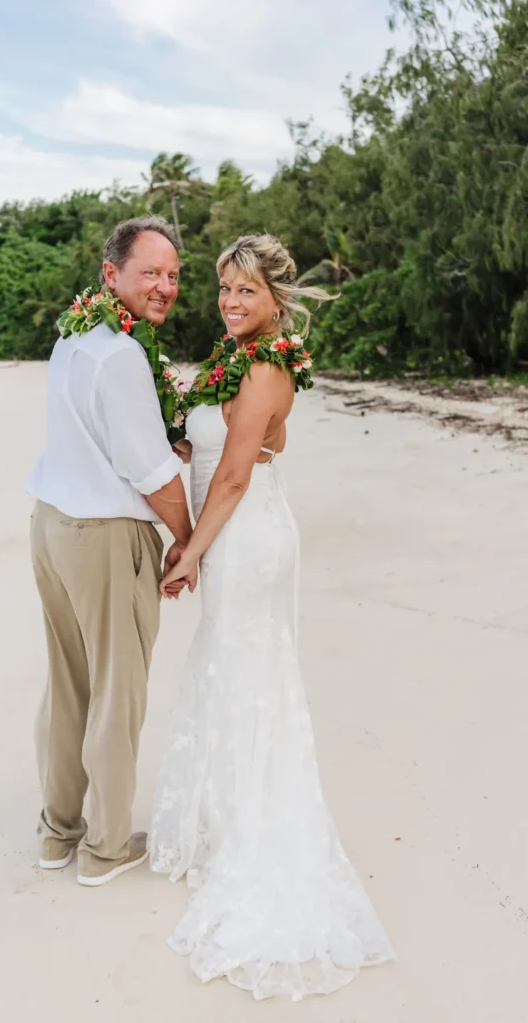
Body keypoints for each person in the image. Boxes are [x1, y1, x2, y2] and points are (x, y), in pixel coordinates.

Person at [151, 234, 395, 1000]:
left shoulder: (261, 365)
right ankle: (224, 814)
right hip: (241, 530)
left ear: (275, 299)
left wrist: (189, 549)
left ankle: (251, 828)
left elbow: (230, 475)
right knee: (230, 667)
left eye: (245, 291)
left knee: (247, 670)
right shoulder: (240, 360)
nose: (229, 302)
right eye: (224, 288)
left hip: (246, 536)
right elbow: (249, 441)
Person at [26, 216, 195, 887]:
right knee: (115, 694)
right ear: (111, 276)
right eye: (149, 272)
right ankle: (105, 846)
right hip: (103, 537)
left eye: (174, 275)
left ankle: (56, 833)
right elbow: (147, 471)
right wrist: (186, 541)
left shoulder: (76, 337)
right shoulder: (123, 355)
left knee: (68, 686)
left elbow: (104, 433)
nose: (164, 286)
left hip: (51, 525)